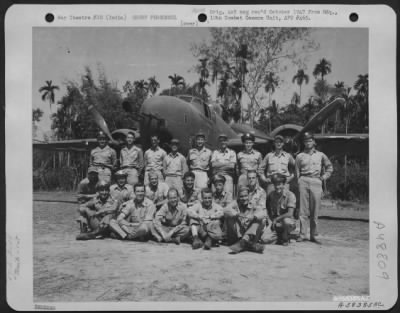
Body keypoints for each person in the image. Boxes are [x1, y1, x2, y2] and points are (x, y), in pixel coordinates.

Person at [295, 132, 333, 244]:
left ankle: (313, 235)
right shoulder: (299, 156)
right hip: (304, 180)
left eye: (310, 140)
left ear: (314, 142)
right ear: (304, 143)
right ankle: (302, 234)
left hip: (316, 181)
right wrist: (299, 181)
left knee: (315, 210)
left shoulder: (321, 155)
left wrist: (323, 177)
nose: (308, 143)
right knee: (303, 210)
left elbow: (329, 167)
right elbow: (297, 171)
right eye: (306, 141)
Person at [223, 187, 265, 254]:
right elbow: (225, 210)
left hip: (250, 233)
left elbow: (263, 213)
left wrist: (253, 216)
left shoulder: (253, 203)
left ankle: (243, 242)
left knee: (261, 220)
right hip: (239, 232)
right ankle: (249, 244)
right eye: (241, 196)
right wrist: (237, 214)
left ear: (249, 196)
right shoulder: (235, 202)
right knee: (230, 217)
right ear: (238, 197)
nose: (244, 198)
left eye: (245, 196)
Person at [263, 174, 296, 246]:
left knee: (286, 221)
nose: (278, 187)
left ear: (284, 184)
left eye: (280, 184)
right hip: (276, 222)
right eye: (275, 185)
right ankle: (280, 236)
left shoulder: (290, 195)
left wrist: (277, 219)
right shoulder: (271, 195)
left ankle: (285, 236)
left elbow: (290, 213)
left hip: (287, 221)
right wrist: (270, 220)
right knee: (264, 239)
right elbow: (268, 208)